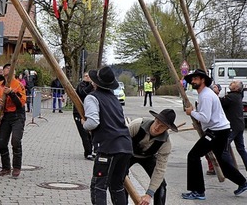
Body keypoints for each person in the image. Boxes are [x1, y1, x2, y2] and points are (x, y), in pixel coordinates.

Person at [182, 69, 247, 200]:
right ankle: (243, 182)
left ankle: (198, 191)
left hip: (216, 132)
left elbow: (205, 118)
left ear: (203, 80)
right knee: (222, 161)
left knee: (193, 156)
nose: (193, 81)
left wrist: (191, 112)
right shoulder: (205, 93)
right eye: (192, 79)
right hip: (221, 130)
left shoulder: (206, 95)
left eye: (195, 79)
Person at [82, 66, 133, 205]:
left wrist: (84, 123)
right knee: (117, 187)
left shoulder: (92, 97)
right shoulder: (114, 99)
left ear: (95, 83)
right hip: (125, 147)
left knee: (98, 186)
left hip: (108, 147)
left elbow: (93, 122)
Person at [129, 109, 178, 205]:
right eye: (158, 122)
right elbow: (119, 145)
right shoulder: (136, 125)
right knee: (120, 179)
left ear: (167, 128)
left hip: (148, 157)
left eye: (162, 126)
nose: (157, 127)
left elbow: (160, 169)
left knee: (161, 185)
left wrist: (149, 194)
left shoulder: (166, 144)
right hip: (127, 154)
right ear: (155, 118)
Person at [0, 63, 26, 177]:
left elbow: (21, 103)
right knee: (2, 142)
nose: (8, 70)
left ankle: (16, 167)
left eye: (11, 69)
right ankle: (6, 167)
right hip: (5, 116)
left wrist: (11, 93)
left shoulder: (18, 85)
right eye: (6, 68)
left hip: (17, 116)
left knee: (15, 141)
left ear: (14, 72)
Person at [220, 80, 247, 179]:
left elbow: (219, 102)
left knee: (224, 148)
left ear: (236, 88)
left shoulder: (231, 97)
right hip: (239, 126)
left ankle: (231, 171)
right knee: (241, 149)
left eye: (234, 82)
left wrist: (214, 94)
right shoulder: (238, 96)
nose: (231, 82)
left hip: (233, 126)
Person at [74, 70, 95, 160]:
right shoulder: (81, 85)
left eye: (89, 76)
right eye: (85, 76)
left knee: (91, 134)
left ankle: (91, 150)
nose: (87, 77)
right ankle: (88, 152)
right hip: (78, 112)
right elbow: (83, 93)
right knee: (84, 133)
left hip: (89, 112)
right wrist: (91, 85)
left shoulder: (93, 88)